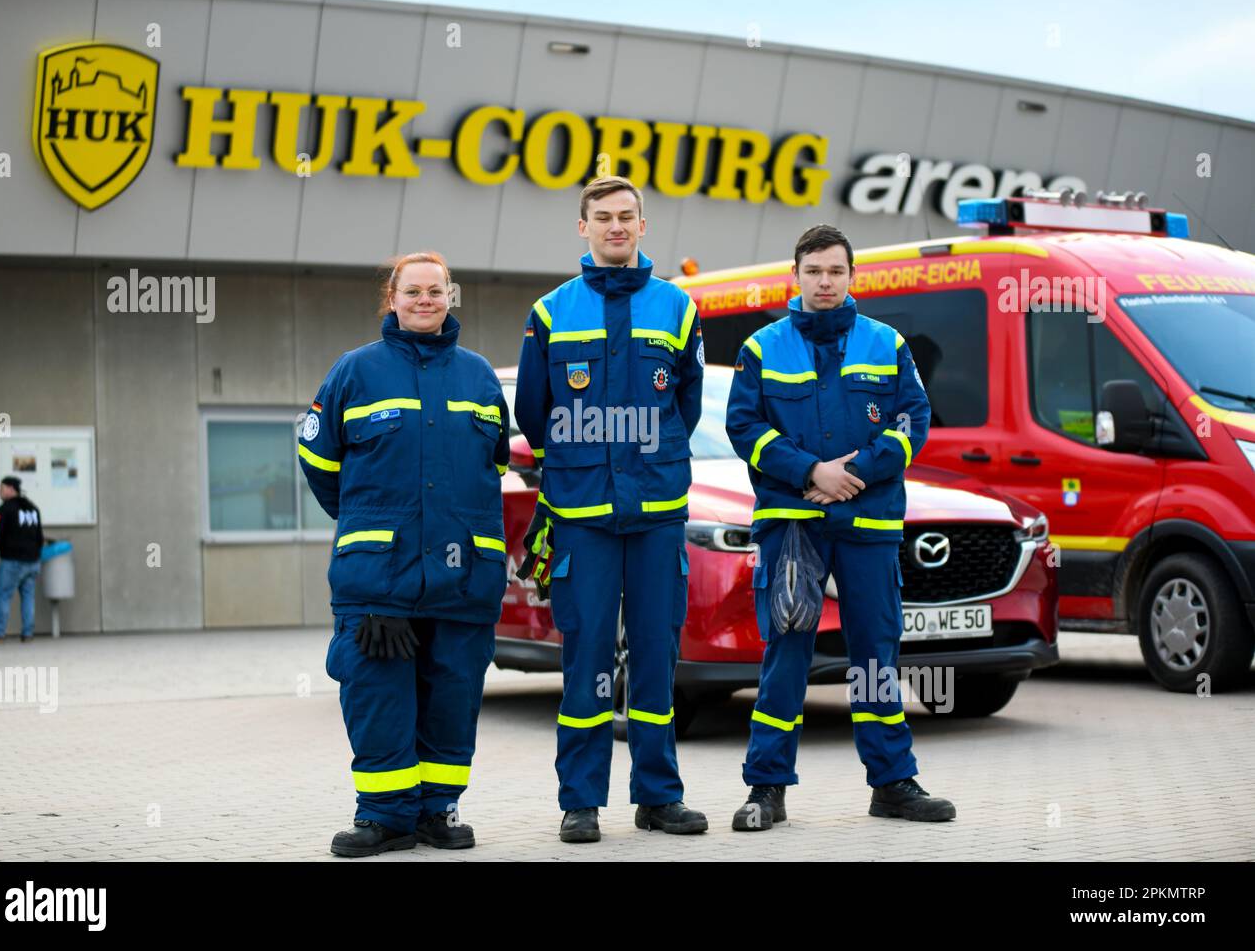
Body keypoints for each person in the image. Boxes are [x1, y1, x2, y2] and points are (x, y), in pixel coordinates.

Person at [725, 224, 956, 827]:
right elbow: (744, 428)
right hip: (793, 525)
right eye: (813, 271)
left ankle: (893, 784)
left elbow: (913, 420)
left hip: (868, 520)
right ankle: (766, 789)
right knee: (788, 649)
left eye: (835, 271)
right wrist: (810, 473)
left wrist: (854, 470)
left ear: (852, 277)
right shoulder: (761, 348)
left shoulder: (888, 343)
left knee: (876, 655)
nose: (824, 282)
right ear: (795, 277)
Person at [514, 175, 708, 843]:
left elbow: (686, 404)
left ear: (642, 226)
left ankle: (659, 798)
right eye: (603, 217)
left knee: (656, 655)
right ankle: (581, 802)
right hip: (582, 515)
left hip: (656, 512)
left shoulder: (678, 309)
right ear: (583, 227)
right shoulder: (549, 313)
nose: (616, 227)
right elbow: (534, 416)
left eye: (627, 216)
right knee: (589, 656)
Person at [300, 251, 510, 856]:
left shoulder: (478, 377)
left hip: (462, 577)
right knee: (378, 697)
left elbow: (492, 464)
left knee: (453, 697)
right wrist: (370, 526)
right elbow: (318, 461)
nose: (424, 300)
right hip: (379, 580)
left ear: (451, 297)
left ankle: (436, 813)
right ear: (391, 298)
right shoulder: (355, 372)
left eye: (435, 291)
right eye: (412, 290)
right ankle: (384, 818)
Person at [0, 475, 44, 642]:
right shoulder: (33, 509)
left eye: (2, 488)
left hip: (12, 562)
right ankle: (27, 634)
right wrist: (36, 555)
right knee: (28, 597)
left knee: (3, 596)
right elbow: (39, 537)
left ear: (11, 489)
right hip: (32, 561)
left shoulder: (5, 509)